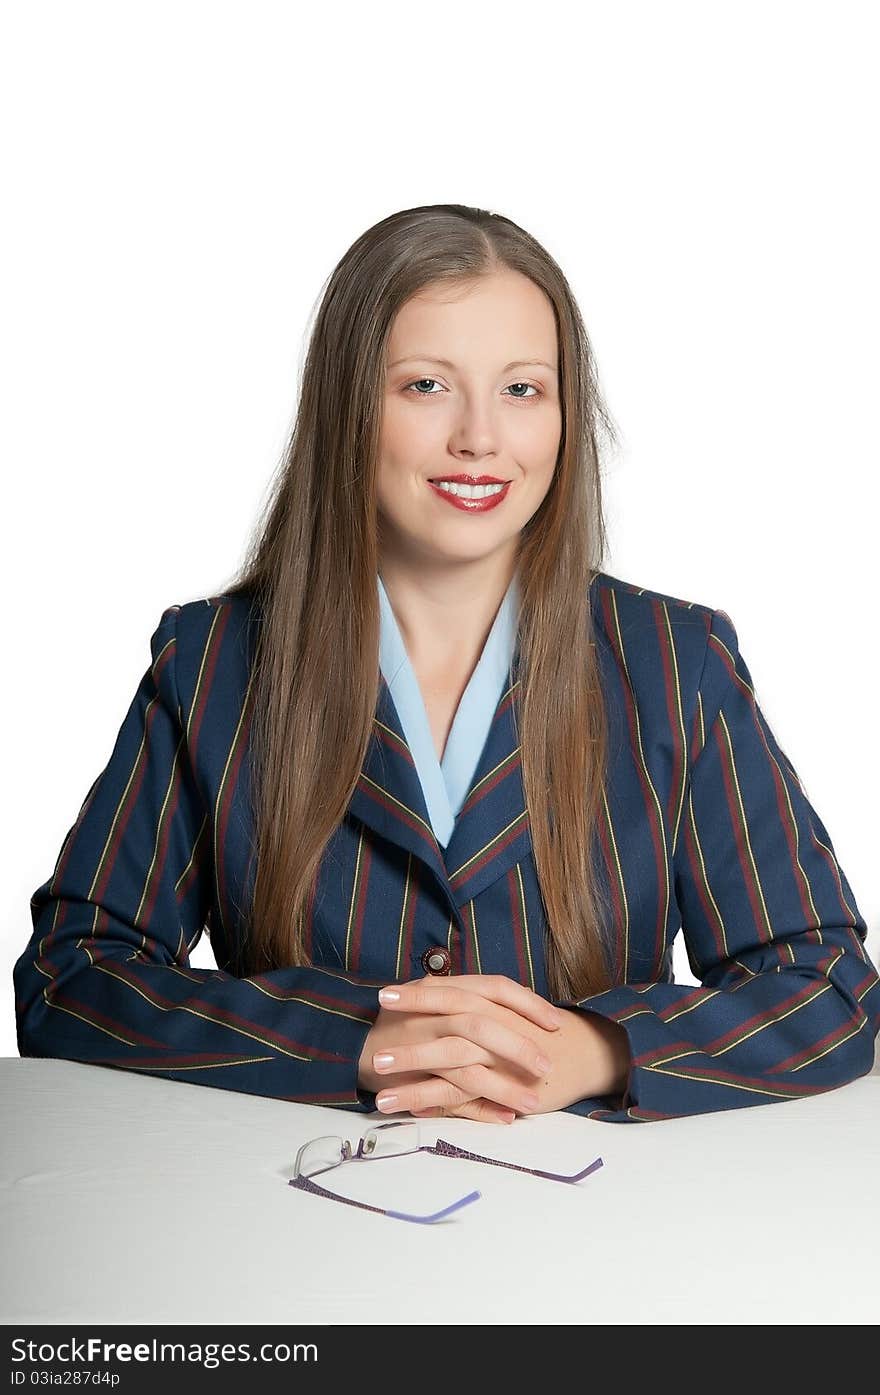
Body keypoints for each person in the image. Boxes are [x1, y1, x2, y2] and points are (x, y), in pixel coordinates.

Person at [14, 203, 880, 1126]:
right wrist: (352, 1040)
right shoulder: (213, 660)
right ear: (349, 407)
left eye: (522, 389)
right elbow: (73, 975)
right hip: (289, 1224)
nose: (479, 437)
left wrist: (596, 1048)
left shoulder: (677, 663)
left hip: (603, 1230)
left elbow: (828, 988)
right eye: (426, 386)